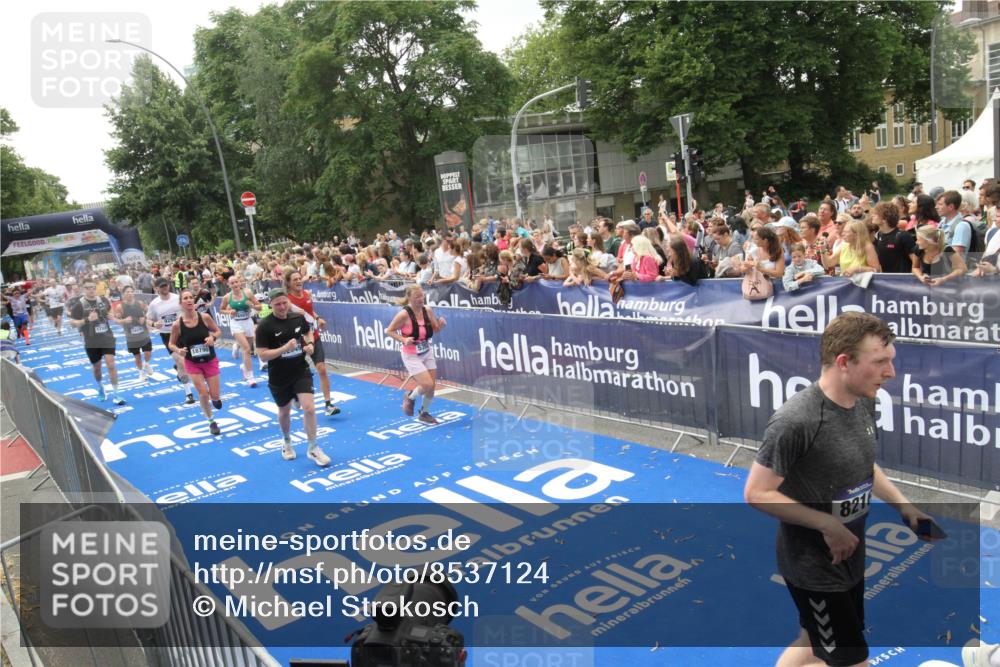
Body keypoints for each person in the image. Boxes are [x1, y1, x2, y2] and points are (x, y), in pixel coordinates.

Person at [744, 312, 937, 667]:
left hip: (849, 557)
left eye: (890, 361)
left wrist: (905, 507)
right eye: (881, 362)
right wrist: (827, 525)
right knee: (851, 660)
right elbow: (757, 492)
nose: (891, 373)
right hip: (815, 569)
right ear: (844, 362)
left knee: (813, 640)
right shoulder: (796, 421)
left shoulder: (864, 401)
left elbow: (864, 466)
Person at [255, 288, 330, 466]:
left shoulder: (297, 317)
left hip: (300, 370)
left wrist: (310, 344)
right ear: (270, 305)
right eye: (277, 304)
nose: (282, 307)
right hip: (278, 376)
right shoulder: (265, 326)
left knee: (310, 408)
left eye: (284, 303)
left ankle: (313, 447)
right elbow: (263, 355)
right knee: (284, 412)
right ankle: (287, 441)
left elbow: (307, 332)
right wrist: (283, 349)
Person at [386, 285, 447, 425]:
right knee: (426, 383)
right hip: (411, 354)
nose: (421, 299)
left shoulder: (427, 310)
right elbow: (389, 331)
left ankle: (424, 413)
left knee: (432, 387)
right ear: (409, 298)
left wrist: (441, 324)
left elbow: (435, 329)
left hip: (427, 351)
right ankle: (410, 397)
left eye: (422, 296)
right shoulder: (404, 314)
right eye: (417, 297)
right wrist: (403, 339)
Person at [284, 269, 341, 417]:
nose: (298, 281)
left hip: (313, 336)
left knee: (321, 368)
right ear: (289, 283)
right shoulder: (287, 300)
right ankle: (295, 394)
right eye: (295, 279)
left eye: (299, 278)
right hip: (296, 340)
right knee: (297, 372)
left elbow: (309, 310)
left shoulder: (307, 294)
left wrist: (318, 318)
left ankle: (328, 404)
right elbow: (300, 312)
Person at [169, 290, 225, 436]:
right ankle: (211, 421)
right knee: (203, 393)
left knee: (214, 395)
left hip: (209, 360)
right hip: (192, 363)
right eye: (185, 298)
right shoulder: (177, 325)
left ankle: (216, 399)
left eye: (190, 297)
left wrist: (213, 338)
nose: (189, 300)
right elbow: (171, 344)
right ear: (181, 303)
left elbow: (218, 331)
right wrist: (178, 350)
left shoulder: (205, 317)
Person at [68, 278, 125, 405]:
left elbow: (110, 310)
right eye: (88, 288)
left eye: (93, 287)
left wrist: (111, 316)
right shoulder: (79, 304)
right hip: (91, 341)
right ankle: (100, 388)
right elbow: (72, 323)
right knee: (97, 367)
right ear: (84, 289)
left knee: (111, 364)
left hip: (107, 337)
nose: (91, 290)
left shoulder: (103, 300)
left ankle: (116, 393)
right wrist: (87, 320)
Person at [147, 277, 195, 404]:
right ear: (156, 288)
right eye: (162, 286)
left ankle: (180, 370)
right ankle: (188, 393)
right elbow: (148, 319)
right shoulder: (154, 304)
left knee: (183, 363)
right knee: (181, 360)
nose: (165, 288)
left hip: (182, 332)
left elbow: (189, 309)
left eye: (166, 285)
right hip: (167, 335)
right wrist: (153, 324)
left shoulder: (177, 298)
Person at [220, 275, 262, 387]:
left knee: (247, 350)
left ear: (240, 283)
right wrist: (229, 312)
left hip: (248, 322)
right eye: (232, 283)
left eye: (236, 282)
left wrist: (252, 305)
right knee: (247, 349)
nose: (234, 285)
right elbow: (221, 309)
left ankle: (244, 367)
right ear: (228, 285)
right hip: (236, 323)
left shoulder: (247, 293)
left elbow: (260, 307)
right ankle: (251, 377)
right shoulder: (227, 297)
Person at [114, 286, 153, 382]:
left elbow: (149, 311)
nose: (130, 293)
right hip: (131, 336)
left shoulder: (139, 304)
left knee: (148, 352)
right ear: (123, 294)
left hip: (143, 333)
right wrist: (124, 320)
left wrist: (144, 317)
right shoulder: (120, 307)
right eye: (127, 292)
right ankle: (141, 373)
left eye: (131, 291)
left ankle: (147, 364)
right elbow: (117, 320)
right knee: (137, 356)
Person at [872, 202, 916, 274]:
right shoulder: (878, 235)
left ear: (884, 219)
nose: (872, 216)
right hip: (886, 280)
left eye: (876, 214)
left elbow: (916, 262)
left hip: (902, 281)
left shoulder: (903, 236)